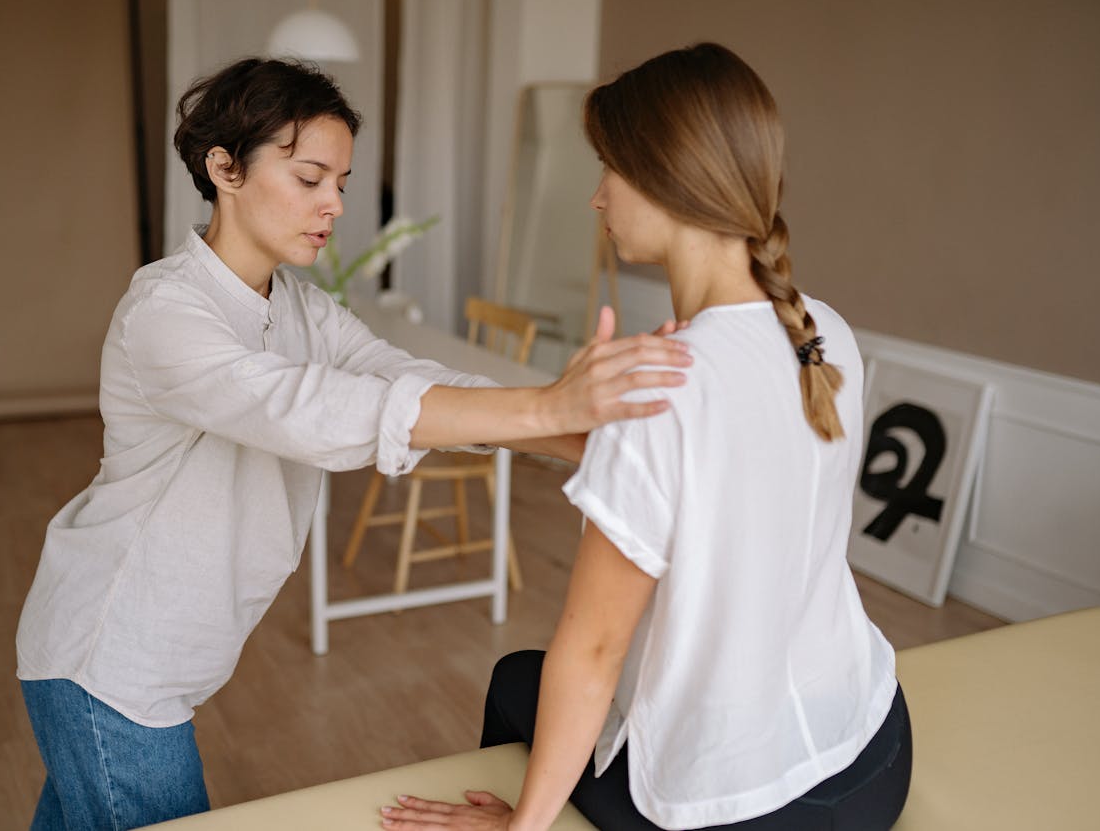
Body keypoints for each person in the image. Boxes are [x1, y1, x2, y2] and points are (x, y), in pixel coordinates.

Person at [14, 57, 693, 830]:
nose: (335, 203)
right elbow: (313, 408)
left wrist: (575, 431)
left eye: (341, 181)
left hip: (146, 667)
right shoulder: (165, 313)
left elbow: (403, 375)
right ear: (224, 168)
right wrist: (545, 408)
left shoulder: (302, 307)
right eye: (310, 178)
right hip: (113, 669)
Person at [380, 43, 912, 831]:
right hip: (874, 751)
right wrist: (565, 424)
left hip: (749, 812)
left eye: (609, 168)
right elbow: (729, 481)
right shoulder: (822, 331)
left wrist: (522, 825)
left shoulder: (657, 389)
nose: (597, 197)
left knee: (514, 681)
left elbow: (593, 656)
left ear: (667, 179)